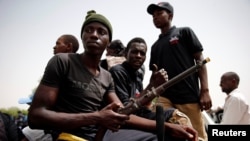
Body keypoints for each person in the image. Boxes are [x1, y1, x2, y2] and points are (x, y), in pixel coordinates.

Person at [28, 10, 197, 141]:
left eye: (101, 31)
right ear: (82, 36)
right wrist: (97, 117)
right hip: (69, 136)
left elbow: (124, 114)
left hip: (102, 136)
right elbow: (36, 117)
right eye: (89, 30)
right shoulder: (62, 61)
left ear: (108, 41)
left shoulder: (106, 77)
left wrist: (167, 127)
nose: (94, 34)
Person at [106, 37, 195, 141]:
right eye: (134, 52)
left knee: (177, 117)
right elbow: (125, 111)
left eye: (142, 53)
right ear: (126, 53)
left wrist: (156, 87)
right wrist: (151, 85)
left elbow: (143, 104)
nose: (138, 56)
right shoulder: (118, 72)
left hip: (140, 114)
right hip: (125, 121)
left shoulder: (138, 74)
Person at [146, 2, 212, 141]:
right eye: (153, 15)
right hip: (164, 98)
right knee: (163, 134)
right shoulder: (155, 46)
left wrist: (204, 90)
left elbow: (200, 60)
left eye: (159, 14)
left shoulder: (184, 32)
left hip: (187, 96)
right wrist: (148, 98)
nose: (155, 17)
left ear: (170, 15)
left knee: (197, 137)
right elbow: (154, 76)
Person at [18, 34, 79, 141]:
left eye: (58, 43)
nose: (54, 47)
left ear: (69, 46)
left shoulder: (67, 67)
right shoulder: (64, 66)